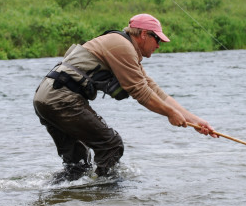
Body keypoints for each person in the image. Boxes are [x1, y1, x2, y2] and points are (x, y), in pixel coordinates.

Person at [34, 13, 217, 182]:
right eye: (157, 39)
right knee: (111, 145)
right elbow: (142, 93)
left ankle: (61, 195)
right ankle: (106, 200)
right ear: (144, 34)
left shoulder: (124, 48)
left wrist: (195, 120)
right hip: (61, 98)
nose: (159, 45)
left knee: (78, 166)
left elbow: (155, 91)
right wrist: (170, 114)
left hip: (46, 97)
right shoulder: (122, 46)